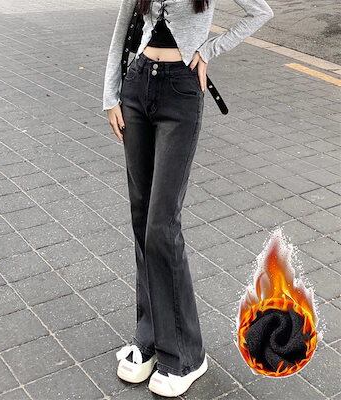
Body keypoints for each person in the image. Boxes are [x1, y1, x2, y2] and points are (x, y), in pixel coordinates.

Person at [102, 0, 274, 396]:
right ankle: (148, 339)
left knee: (162, 226)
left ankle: (186, 355)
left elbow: (260, 11)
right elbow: (122, 28)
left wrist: (208, 50)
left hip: (180, 91)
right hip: (137, 85)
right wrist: (110, 96)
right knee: (142, 221)